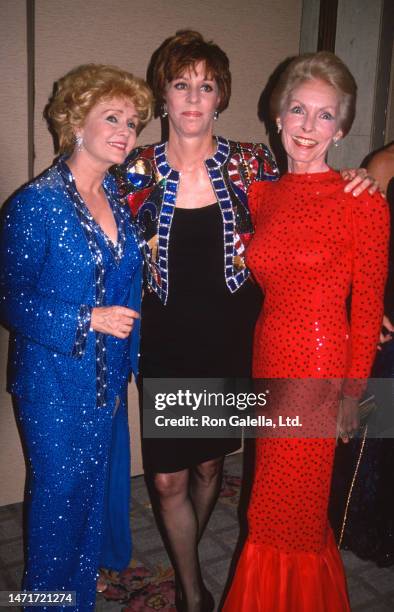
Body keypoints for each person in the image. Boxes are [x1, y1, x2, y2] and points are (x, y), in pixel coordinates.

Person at [113, 32, 378, 612]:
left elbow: (312, 209)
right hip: (166, 341)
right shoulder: (135, 171)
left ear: (220, 97)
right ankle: (191, 588)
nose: (191, 98)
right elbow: (97, 233)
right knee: (165, 480)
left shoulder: (251, 166)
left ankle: (205, 560)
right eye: (180, 84)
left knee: (210, 466)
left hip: (235, 339)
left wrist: (369, 176)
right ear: (164, 93)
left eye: (205, 86)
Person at [222, 51, 389, 611]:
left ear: (341, 128)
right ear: (277, 117)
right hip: (268, 354)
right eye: (298, 111)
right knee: (270, 496)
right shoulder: (262, 194)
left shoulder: (361, 201)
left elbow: (366, 309)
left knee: (284, 507)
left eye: (324, 116)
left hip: (318, 365)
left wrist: (351, 395)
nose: (308, 127)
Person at [0, 64, 152, 611]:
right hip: (51, 382)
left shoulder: (114, 194)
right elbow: (8, 296)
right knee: (57, 502)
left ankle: (77, 599)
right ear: (75, 122)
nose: (125, 131)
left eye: (132, 122)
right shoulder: (36, 204)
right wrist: (86, 316)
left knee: (88, 500)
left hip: (104, 381)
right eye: (111, 117)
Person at [329, 141, 394, 566]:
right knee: (379, 427)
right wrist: (364, 315)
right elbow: (357, 249)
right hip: (390, 319)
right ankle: (363, 525)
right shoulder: (384, 165)